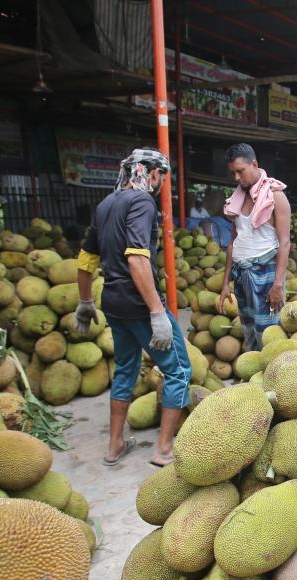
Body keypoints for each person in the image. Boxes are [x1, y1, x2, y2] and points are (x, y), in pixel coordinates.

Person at [74, 148, 191, 468]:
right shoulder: (142, 202)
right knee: (178, 370)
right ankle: (164, 448)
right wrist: (157, 312)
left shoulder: (106, 204)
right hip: (139, 301)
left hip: (112, 301)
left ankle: (114, 445)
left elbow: (85, 261)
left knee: (125, 368)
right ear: (152, 174)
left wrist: (85, 301)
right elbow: (138, 259)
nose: (161, 185)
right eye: (162, 179)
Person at [218, 143, 290, 351]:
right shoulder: (236, 199)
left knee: (267, 333)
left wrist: (278, 284)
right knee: (248, 328)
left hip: (265, 273)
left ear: (255, 164)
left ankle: (270, 378)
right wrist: (225, 284)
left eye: (240, 171)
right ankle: (253, 378)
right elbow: (233, 242)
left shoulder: (276, 197)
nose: (237, 178)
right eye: (233, 173)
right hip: (241, 274)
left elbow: (285, 242)